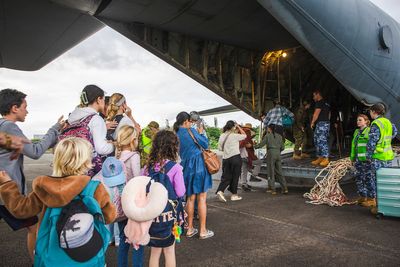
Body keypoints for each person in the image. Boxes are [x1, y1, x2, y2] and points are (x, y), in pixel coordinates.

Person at [0, 137, 116, 263]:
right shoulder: (95, 188)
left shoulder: (44, 187)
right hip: (88, 255)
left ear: (57, 159)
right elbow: (109, 217)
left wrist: (7, 185)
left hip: (50, 255)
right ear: (85, 161)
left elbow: (21, 209)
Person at [0, 88, 64, 260]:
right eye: (25, 106)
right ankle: (38, 262)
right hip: (7, 195)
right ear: (14, 108)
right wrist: (55, 129)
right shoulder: (9, 127)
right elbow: (35, 151)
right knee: (34, 228)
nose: (27, 111)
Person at [143, 130, 185, 267]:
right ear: (174, 147)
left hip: (152, 215)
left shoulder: (147, 167)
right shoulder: (176, 168)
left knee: (154, 251)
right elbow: (180, 192)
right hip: (170, 216)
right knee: (169, 250)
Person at [174, 112, 213, 239]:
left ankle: (189, 228)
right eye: (190, 121)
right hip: (198, 166)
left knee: (190, 199)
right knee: (201, 198)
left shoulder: (176, 134)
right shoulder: (190, 130)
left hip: (186, 167)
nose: (191, 123)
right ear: (186, 121)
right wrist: (201, 132)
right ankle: (202, 230)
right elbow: (205, 144)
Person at [66, 85, 114, 175]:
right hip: (87, 171)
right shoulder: (96, 119)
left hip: (72, 167)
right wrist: (115, 145)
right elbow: (101, 149)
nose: (104, 102)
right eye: (103, 99)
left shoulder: (73, 119)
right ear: (99, 99)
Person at [115, 125, 143, 267]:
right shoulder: (134, 156)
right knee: (138, 239)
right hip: (133, 204)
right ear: (133, 140)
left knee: (123, 237)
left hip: (120, 203)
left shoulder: (116, 156)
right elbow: (138, 180)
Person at [366, 103, 397, 208]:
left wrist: (368, 156)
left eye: (370, 111)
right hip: (387, 157)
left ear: (374, 112)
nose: (370, 114)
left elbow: (371, 143)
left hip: (377, 157)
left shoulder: (376, 123)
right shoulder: (388, 122)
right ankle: (386, 205)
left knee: (375, 181)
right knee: (385, 182)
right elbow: (395, 132)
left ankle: (377, 206)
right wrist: (386, 141)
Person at [216, 120, 246, 202]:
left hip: (225, 159)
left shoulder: (222, 135)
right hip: (235, 158)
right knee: (235, 176)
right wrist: (239, 126)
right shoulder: (234, 135)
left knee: (226, 176)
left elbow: (219, 148)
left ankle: (220, 191)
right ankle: (234, 195)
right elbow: (244, 135)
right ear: (233, 127)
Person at [255, 125, 288, 194]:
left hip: (271, 153)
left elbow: (261, 145)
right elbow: (283, 147)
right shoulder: (280, 136)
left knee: (271, 171)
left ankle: (273, 189)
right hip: (278, 154)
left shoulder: (267, 136)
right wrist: (277, 150)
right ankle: (285, 189)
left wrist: (254, 146)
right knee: (280, 172)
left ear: (269, 129)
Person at [350, 114, 373, 206]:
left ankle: (371, 199)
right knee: (359, 179)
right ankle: (363, 196)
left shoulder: (370, 131)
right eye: (357, 120)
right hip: (358, 160)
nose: (358, 122)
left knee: (368, 179)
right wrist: (352, 158)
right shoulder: (356, 131)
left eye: (360, 120)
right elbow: (353, 146)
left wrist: (370, 157)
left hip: (367, 160)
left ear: (366, 121)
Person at [310, 90, 331, 167]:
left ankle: (326, 158)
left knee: (322, 140)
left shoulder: (319, 103)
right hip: (325, 123)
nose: (313, 98)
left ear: (318, 94)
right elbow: (329, 114)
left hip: (321, 124)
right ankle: (320, 157)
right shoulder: (326, 103)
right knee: (317, 140)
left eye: (314, 96)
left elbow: (316, 114)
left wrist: (312, 122)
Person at [239, 123, 257, 191]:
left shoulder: (241, 134)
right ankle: (253, 176)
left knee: (244, 170)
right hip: (246, 154)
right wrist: (251, 145)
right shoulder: (246, 135)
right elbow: (248, 145)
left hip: (241, 154)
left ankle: (244, 183)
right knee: (248, 167)